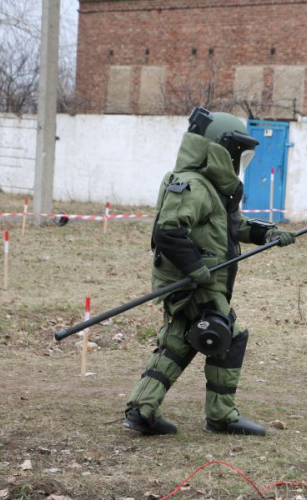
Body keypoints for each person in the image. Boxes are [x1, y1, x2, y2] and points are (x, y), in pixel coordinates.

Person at [123, 107, 296, 436]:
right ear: (221, 150)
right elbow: (168, 232)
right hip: (192, 283)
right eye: (238, 154)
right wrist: (196, 269)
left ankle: (141, 409)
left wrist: (268, 234)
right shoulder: (194, 185)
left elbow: (235, 226)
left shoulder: (213, 188)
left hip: (200, 281)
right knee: (227, 335)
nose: (240, 163)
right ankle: (221, 415)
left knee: (179, 342)